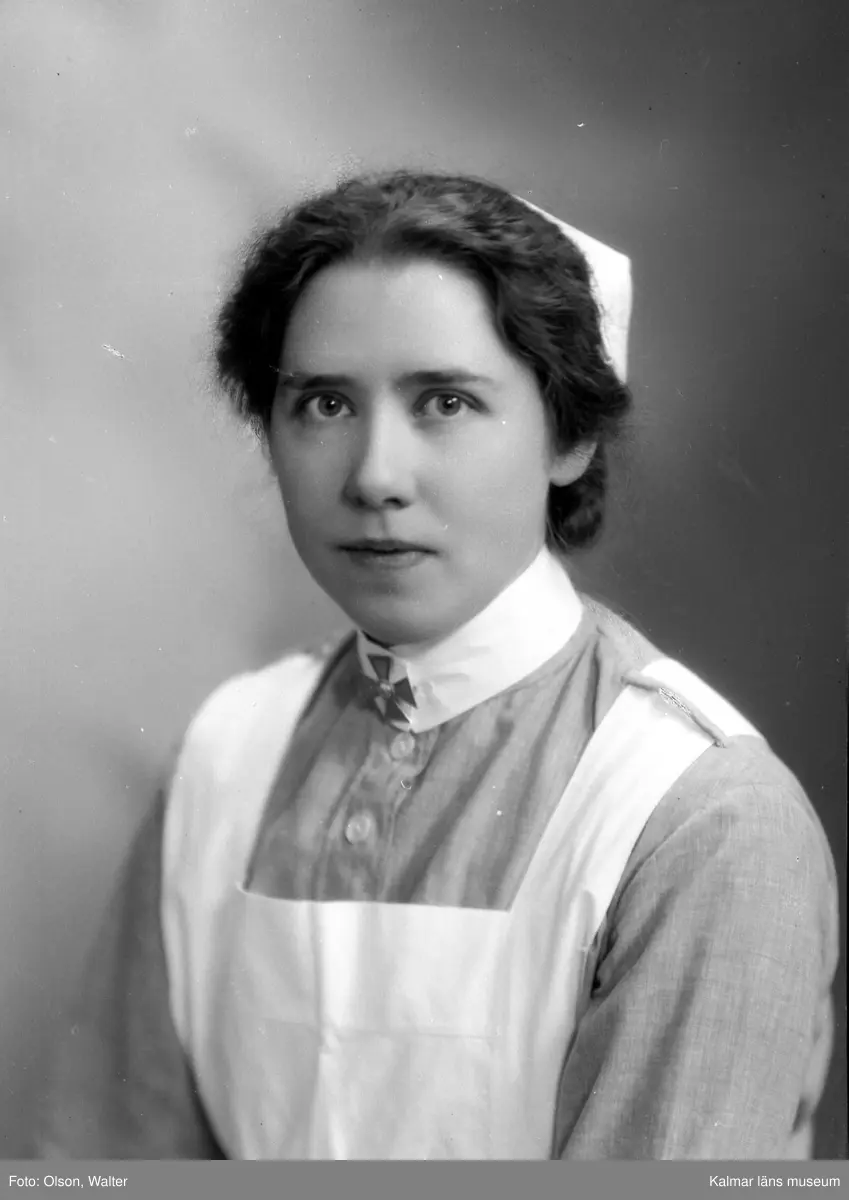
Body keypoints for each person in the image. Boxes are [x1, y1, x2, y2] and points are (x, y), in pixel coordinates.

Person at [38, 169, 839, 1160]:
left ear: (569, 436)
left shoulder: (696, 817)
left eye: (445, 402)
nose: (375, 476)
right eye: (325, 403)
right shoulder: (226, 756)